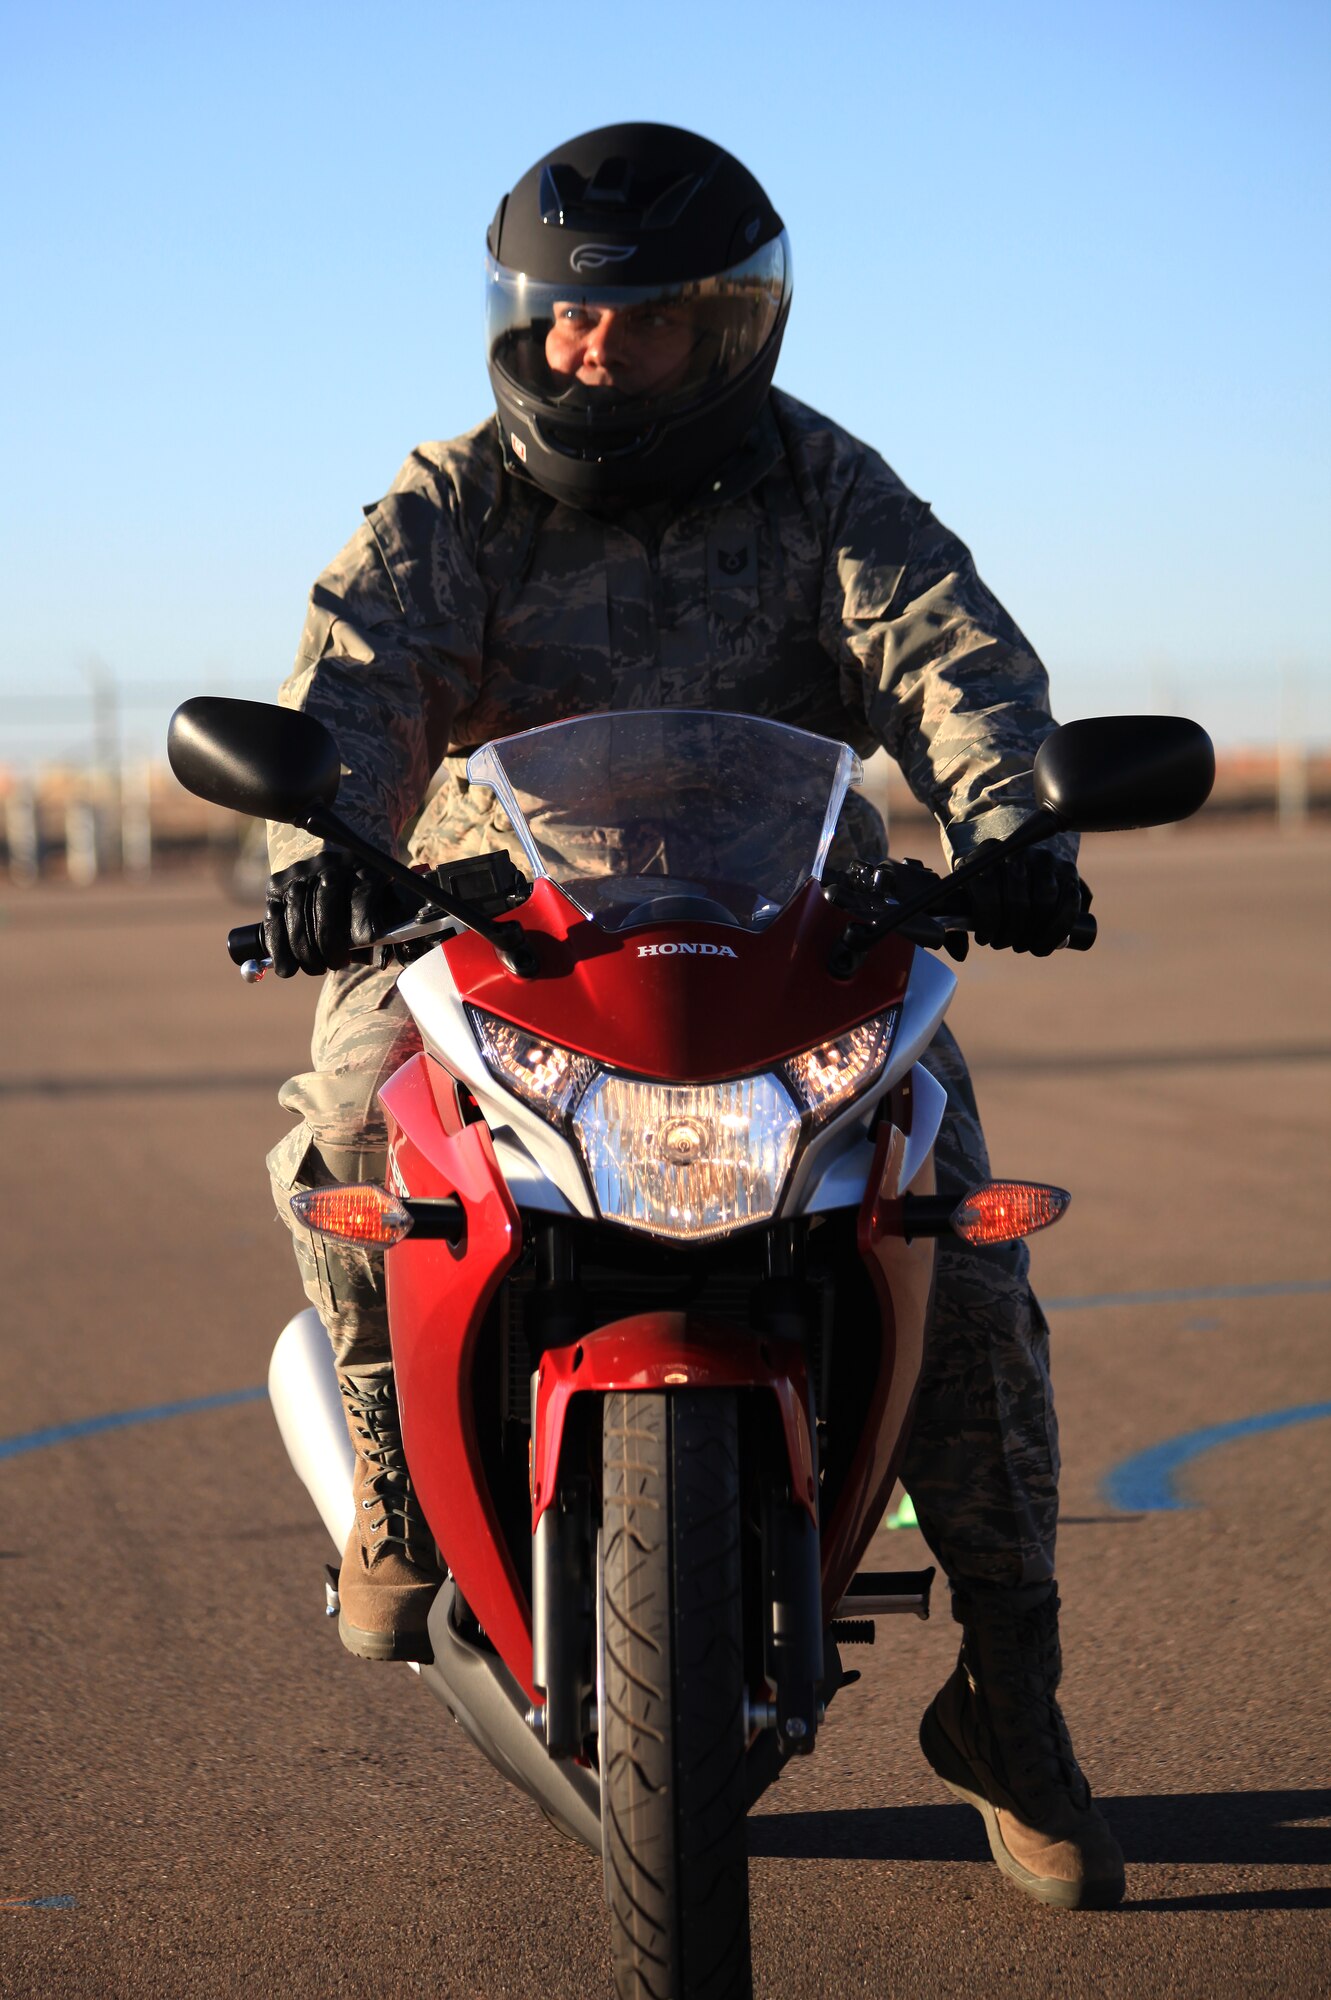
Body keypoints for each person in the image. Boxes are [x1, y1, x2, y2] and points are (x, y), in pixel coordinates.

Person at [263, 122, 1123, 1911]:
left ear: (729, 328)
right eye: (562, 315)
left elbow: (949, 652)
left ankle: (1014, 1705)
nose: (586, 348)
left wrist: (1015, 824)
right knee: (347, 1118)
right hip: (498, 932)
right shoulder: (452, 498)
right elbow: (352, 680)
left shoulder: (822, 488)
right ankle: (404, 1501)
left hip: (792, 931)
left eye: (633, 320)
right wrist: (327, 846)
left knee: (952, 1223)